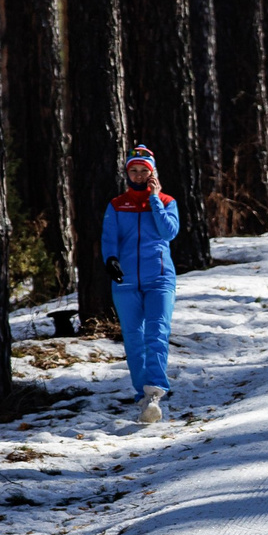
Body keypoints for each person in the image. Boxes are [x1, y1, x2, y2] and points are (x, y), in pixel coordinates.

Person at [102, 144, 179, 424]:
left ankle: (155, 391)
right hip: (125, 281)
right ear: (126, 173)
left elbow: (168, 231)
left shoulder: (168, 201)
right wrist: (110, 259)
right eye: (132, 171)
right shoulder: (116, 204)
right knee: (134, 338)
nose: (137, 175)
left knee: (157, 333)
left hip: (159, 278)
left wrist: (155, 198)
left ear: (152, 174)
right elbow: (109, 238)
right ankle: (142, 395)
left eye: (143, 171)